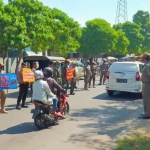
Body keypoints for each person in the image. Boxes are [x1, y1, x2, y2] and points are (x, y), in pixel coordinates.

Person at [139, 53, 150, 119]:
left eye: (142, 58)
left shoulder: (148, 65)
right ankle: (147, 113)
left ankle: (148, 114)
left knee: (147, 100)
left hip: (147, 84)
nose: (141, 59)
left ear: (145, 58)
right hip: (146, 83)